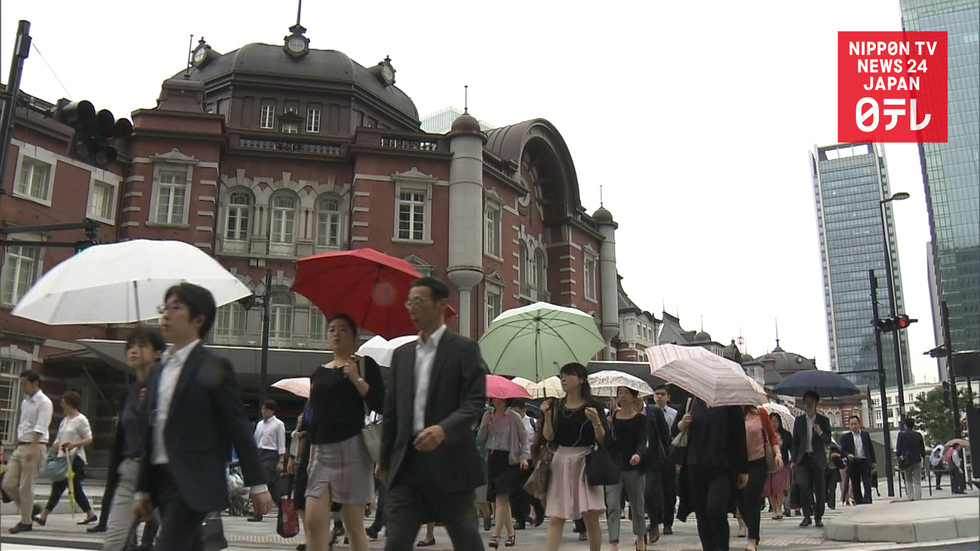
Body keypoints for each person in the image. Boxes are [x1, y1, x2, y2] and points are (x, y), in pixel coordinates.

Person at [132, 282, 272, 551]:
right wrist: (142, 490)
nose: (166, 314)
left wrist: (257, 484)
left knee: (168, 546)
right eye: (164, 307)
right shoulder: (158, 371)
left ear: (198, 319)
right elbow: (151, 435)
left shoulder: (214, 366)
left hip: (192, 481)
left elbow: (238, 425)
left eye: (176, 308)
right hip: (160, 479)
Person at [376, 276, 487, 551]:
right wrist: (384, 459)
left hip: (450, 464)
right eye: (409, 302)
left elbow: (474, 402)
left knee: (467, 540)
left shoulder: (464, 349)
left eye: (419, 302)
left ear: (441, 305)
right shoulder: (402, 355)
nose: (412, 308)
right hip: (407, 465)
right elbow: (391, 413)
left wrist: (443, 430)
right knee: (396, 541)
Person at [306, 313, 384, 551]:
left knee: (353, 523)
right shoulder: (319, 373)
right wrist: (310, 455)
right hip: (322, 451)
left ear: (354, 337)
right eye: (332, 329)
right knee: (313, 520)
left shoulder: (364, 365)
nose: (336, 334)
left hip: (354, 448)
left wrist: (356, 378)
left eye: (343, 329)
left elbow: (379, 403)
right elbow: (314, 417)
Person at [102, 327, 166, 551]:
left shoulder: (168, 389)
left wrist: (153, 403)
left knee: (175, 542)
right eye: (130, 346)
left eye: (141, 346)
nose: (134, 351)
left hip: (162, 475)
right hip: (130, 473)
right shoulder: (128, 394)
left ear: (158, 353)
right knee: (114, 543)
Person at [540, 362, 609, 551]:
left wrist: (595, 421)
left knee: (590, 516)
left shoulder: (594, 405)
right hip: (561, 459)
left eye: (568, 375)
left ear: (580, 380)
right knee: (556, 516)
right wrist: (546, 415)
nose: (563, 379)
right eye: (562, 375)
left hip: (586, 460)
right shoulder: (557, 405)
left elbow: (603, 439)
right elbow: (549, 437)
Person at [678, 397, 748, 551]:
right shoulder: (691, 401)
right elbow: (675, 429)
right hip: (695, 465)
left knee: (716, 510)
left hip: (722, 466)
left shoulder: (730, 404)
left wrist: (743, 469)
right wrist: (683, 423)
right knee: (701, 514)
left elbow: (739, 436)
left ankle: (723, 548)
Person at [33, 390, 98, 526]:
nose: (62, 406)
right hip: (64, 458)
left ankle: (44, 515)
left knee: (59, 486)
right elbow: (60, 438)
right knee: (74, 488)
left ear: (70, 404)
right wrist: (56, 445)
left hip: (75, 459)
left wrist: (75, 444)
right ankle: (90, 514)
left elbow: (89, 439)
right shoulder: (65, 420)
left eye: (63, 403)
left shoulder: (81, 420)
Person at [3, 370, 54, 534]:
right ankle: (31, 508)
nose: (23, 387)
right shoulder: (25, 402)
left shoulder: (44, 402)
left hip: (35, 446)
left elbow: (41, 426)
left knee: (26, 487)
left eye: (25, 383)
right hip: (20, 445)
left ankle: (26, 522)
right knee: (7, 484)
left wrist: (33, 447)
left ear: (35, 383)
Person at [477, 397, 529, 548]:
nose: (496, 401)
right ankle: (511, 534)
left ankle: (496, 535)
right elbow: (481, 438)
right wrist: (485, 425)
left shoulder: (514, 417)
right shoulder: (488, 415)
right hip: (493, 458)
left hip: (509, 460)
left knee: (501, 497)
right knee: (501, 501)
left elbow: (524, 438)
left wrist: (524, 457)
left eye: (500, 399)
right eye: (494, 398)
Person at [604, 387, 647, 551]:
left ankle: (640, 537)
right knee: (613, 505)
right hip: (614, 467)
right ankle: (613, 542)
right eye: (619, 392)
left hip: (634, 467)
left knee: (637, 505)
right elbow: (607, 443)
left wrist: (638, 455)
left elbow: (643, 441)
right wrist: (608, 428)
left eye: (626, 392)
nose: (622, 396)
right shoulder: (612, 418)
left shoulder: (640, 420)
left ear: (634, 397)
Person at [735, 406, 781, 551]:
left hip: (758, 463)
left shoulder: (760, 413)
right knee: (741, 503)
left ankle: (752, 539)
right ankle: (754, 531)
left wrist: (778, 454)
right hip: (739, 464)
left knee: (751, 499)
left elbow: (772, 435)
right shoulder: (733, 413)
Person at [791, 391, 831, 528]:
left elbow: (828, 440)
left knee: (820, 489)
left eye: (811, 402)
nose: (808, 404)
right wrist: (794, 461)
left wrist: (820, 432)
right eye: (806, 402)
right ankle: (807, 516)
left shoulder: (823, 421)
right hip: (803, 459)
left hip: (817, 459)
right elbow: (795, 442)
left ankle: (818, 517)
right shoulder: (799, 421)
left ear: (816, 403)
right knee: (804, 487)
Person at [250, 399, 286, 522]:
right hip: (259, 452)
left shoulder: (278, 424)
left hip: (271, 454)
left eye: (266, 409)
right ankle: (258, 511)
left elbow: (281, 442)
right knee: (262, 483)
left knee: (265, 481)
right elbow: (255, 439)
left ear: (272, 411)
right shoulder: (260, 424)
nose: (263, 411)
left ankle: (277, 508)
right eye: (262, 409)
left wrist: (281, 460)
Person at [641, 394, 670, 544]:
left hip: (652, 459)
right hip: (631, 460)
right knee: (636, 498)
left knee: (649, 493)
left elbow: (665, 435)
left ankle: (654, 523)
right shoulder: (620, 413)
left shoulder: (653, 412)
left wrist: (665, 455)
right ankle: (640, 535)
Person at [650, 384, 677, 536]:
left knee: (669, 490)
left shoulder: (673, 413)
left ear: (668, 397)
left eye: (662, 394)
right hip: (653, 456)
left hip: (669, 454)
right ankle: (656, 519)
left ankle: (668, 522)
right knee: (653, 490)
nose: (659, 396)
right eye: (657, 394)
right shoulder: (649, 412)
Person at [288, 404, 312, 551]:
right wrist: (291, 457)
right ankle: (309, 537)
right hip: (306, 455)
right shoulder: (309, 406)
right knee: (300, 500)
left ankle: (320, 537)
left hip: (326, 454)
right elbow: (298, 434)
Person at [762, 411, 792, 520]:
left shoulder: (786, 435)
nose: (773, 424)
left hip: (781, 464)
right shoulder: (764, 435)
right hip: (768, 464)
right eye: (771, 421)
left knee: (779, 486)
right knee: (770, 488)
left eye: (775, 421)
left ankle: (779, 508)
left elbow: (791, 448)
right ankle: (774, 509)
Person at [840, 415, 876, 504]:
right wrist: (848, 454)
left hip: (864, 461)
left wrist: (873, 461)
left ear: (859, 424)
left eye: (855, 424)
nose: (854, 426)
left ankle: (867, 499)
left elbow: (870, 448)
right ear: (849, 425)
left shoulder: (865, 435)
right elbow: (842, 450)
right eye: (852, 424)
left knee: (867, 482)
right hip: (853, 462)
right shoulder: (846, 437)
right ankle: (858, 500)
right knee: (855, 483)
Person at [895, 417, 926, 501]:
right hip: (917, 459)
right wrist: (924, 458)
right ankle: (918, 497)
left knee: (908, 479)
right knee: (917, 480)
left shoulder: (901, 435)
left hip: (906, 460)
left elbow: (899, 448)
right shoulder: (918, 435)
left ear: (905, 425)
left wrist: (898, 456)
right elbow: (922, 449)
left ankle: (910, 496)